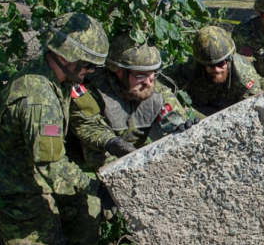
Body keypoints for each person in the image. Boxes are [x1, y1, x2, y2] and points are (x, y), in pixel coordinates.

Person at [0, 12, 109, 245]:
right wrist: (95, 187)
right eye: (88, 65)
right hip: (12, 186)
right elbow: (52, 167)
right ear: (69, 58)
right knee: (44, 241)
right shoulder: (39, 98)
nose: (89, 72)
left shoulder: (61, 81)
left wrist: (112, 144)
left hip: (33, 176)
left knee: (88, 210)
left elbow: (87, 119)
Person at [70, 32, 194, 170]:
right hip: (82, 168)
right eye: (140, 75)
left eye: (153, 73)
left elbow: (171, 115)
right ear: (119, 72)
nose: (148, 82)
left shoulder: (156, 92)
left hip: (135, 162)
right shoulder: (92, 92)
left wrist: (181, 126)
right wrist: (113, 144)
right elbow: (92, 141)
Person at [161, 26, 264, 116]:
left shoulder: (244, 75)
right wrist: (174, 105)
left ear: (229, 59)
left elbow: (253, 109)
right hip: (200, 112)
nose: (216, 69)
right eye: (209, 65)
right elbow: (158, 81)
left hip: (234, 114)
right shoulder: (189, 66)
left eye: (221, 64)